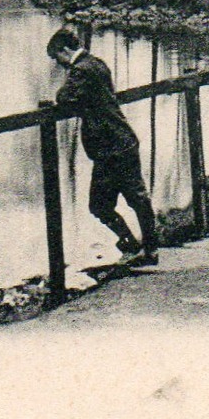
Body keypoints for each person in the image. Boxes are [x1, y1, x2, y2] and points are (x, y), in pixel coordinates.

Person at [47, 27, 158, 264]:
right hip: (122, 142)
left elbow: (64, 97)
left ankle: (134, 246)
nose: (60, 65)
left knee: (100, 205)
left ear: (65, 50)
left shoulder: (81, 70)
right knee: (136, 197)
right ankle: (148, 249)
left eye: (58, 59)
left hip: (110, 148)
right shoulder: (98, 63)